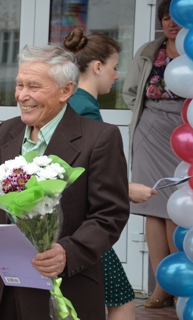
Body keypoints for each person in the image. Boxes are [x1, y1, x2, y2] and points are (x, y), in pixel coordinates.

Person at [0, 45, 130, 320]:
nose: (22, 95)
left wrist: (68, 252)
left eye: (34, 87)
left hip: (68, 287)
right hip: (5, 292)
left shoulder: (99, 138)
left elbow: (109, 215)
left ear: (66, 90)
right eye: (19, 84)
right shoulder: (6, 132)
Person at [64, 28, 151, 320]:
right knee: (123, 299)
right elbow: (83, 171)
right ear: (98, 66)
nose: (116, 76)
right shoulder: (84, 109)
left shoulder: (72, 103)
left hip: (70, 225)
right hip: (86, 226)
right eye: (114, 68)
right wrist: (126, 190)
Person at [123, 0, 184, 309]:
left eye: (175, 17)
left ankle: (179, 280)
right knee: (152, 208)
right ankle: (162, 287)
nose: (170, 24)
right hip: (150, 132)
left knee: (177, 206)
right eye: (165, 18)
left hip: (184, 134)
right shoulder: (150, 50)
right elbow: (131, 92)